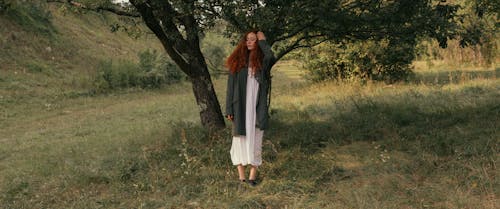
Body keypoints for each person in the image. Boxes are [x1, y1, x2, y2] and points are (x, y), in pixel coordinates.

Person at [225, 30, 275, 187]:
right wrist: (229, 109)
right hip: (240, 108)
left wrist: (263, 41)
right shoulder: (236, 63)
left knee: (256, 139)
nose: (249, 42)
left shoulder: (262, 62)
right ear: (243, 42)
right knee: (238, 141)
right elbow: (230, 88)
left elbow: (271, 57)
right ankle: (241, 178)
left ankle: (252, 177)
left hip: (256, 107)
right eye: (247, 39)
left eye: (253, 40)